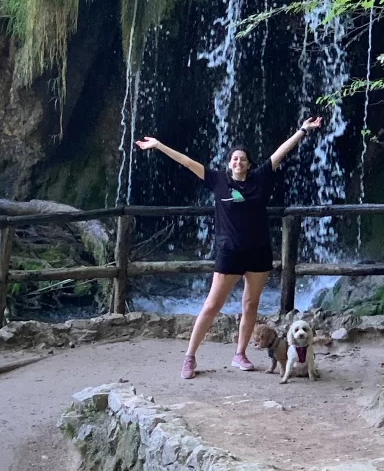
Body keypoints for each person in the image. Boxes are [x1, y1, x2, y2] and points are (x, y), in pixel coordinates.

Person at [135, 118, 322, 379]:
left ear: (249, 163)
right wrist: (158, 145)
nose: (238, 162)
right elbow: (187, 162)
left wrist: (302, 130)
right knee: (212, 305)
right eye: (234, 159)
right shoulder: (218, 181)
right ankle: (189, 357)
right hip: (229, 252)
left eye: (243, 159)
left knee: (250, 304)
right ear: (229, 163)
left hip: (258, 251)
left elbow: (281, 152)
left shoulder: (259, 178)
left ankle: (240, 354)